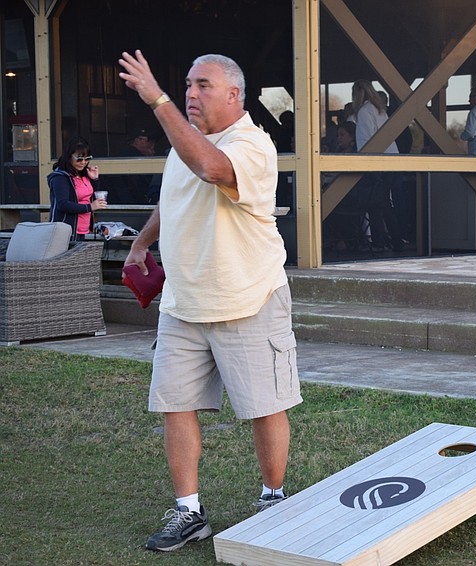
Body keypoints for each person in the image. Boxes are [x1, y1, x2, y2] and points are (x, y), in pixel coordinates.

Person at [117, 49, 302, 552]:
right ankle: (189, 512)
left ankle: (273, 497)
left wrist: (156, 99)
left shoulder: (253, 144)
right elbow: (175, 194)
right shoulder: (185, 143)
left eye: (202, 85)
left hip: (248, 296)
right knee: (176, 407)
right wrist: (143, 241)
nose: (190, 94)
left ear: (234, 95)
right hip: (182, 303)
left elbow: (212, 170)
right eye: (186, 85)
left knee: (264, 406)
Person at [351, 79, 403, 251]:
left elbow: (367, 138)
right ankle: (394, 241)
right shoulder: (380, 110)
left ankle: (381, 242)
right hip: (390, 160)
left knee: (376, 204)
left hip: (376, 162)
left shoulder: (365, 111)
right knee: (384, 204)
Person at [48, 136, 107, 240]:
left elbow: (92, 197)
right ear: (69, 157)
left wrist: (94, 179)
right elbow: (63, 204)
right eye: (79, 159)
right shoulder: (61, 177)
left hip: (84, 229)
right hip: (67, 231)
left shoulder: (84, 174)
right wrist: (90, 207)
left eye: (87, 159)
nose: (83, 162)